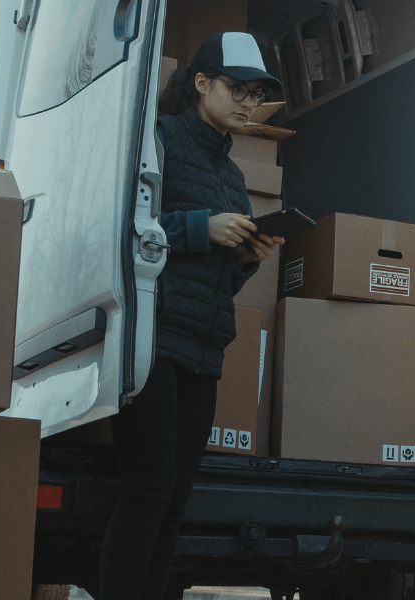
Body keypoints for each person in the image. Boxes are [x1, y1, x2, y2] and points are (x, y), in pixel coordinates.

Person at [99, 31, 286, 600]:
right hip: (149, 339)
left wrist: (247, 262)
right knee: (147, 489)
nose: (247, 103)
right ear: (201, 83)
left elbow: (220, 280)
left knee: (175, 496)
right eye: (236, 88)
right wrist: (198, 228)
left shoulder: (233, 177)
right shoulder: (158, 140)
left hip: (202, 350)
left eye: (255, 95)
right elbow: (117, 226)